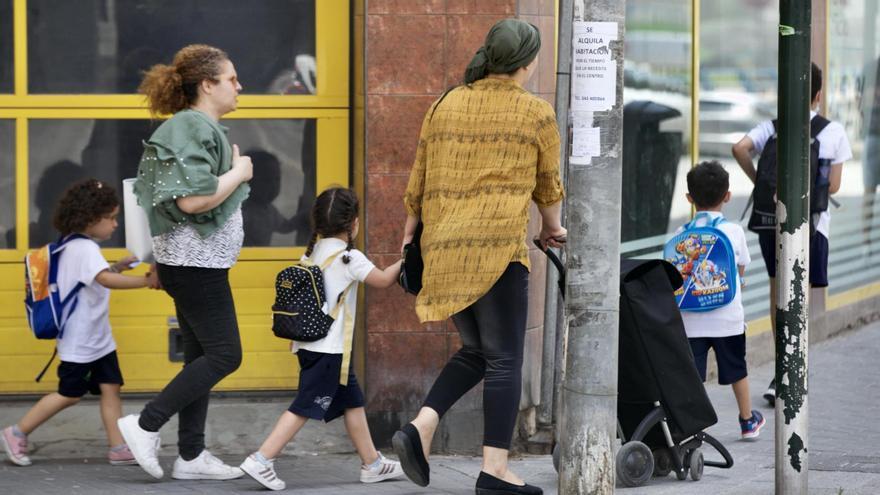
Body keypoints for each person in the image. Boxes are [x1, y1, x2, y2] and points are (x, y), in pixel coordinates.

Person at [393, 19, 565, 495]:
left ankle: (419, 427)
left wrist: (410, 239)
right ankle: (495, 471)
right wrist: (553, 229)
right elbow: (548, 185)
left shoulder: (446, 102)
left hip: (445, 248)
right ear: (527, 62)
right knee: (506, 359)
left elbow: (419, 179)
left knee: (477, 351)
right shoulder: (535, 112)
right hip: (496, 252)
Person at [117, 44, 253, 481]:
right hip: (195, 265)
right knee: (225, 355)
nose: (239, 86)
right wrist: (239, 172)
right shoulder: (191, 125)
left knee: (201, 355)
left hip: (196, 263)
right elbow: (193, 200)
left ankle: (191, 456)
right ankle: (144, 424)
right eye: (232, 79)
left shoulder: (196, 126)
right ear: (207, 84)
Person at [239, 187, 405, 491]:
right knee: (305, 405)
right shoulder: (348, 258)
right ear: (354, 222)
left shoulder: (312, 253)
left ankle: (373, 464)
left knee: (352, 401)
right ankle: (262, 459)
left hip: (309, 346)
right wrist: (405, 259)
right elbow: (383, 280)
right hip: (329, 351)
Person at [1, 179, 156, 466]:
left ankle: (118, 447)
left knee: (111, 386)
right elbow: (103, 280)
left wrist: (117, 266)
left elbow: (91, 277)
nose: (115, 225)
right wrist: (146, 281)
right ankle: (16, 432)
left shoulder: (72, 245)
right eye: (110, 218)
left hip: (97, 340)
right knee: (69, 394)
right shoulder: (84, 249)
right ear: (89, 219)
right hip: (81, 342)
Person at [732, 62, 852, 407]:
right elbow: (834, 185)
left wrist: (762, 183)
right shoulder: (832, 131)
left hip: (772, 222)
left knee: (777, 291)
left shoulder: (771, 128)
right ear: (818, 94)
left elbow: (739, 148)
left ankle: (782, 365)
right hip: (812, 225)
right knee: (800, 292)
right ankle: (794, 366)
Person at [675, 162, 765, 439]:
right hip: (727, 319)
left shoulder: (682, 233)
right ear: (727, 195)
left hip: (691, 320)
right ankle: (748, 421)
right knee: (737, 370)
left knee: (693, 377)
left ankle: (693, 427)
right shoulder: (734, 231)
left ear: (689, 198)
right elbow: (739, 271)